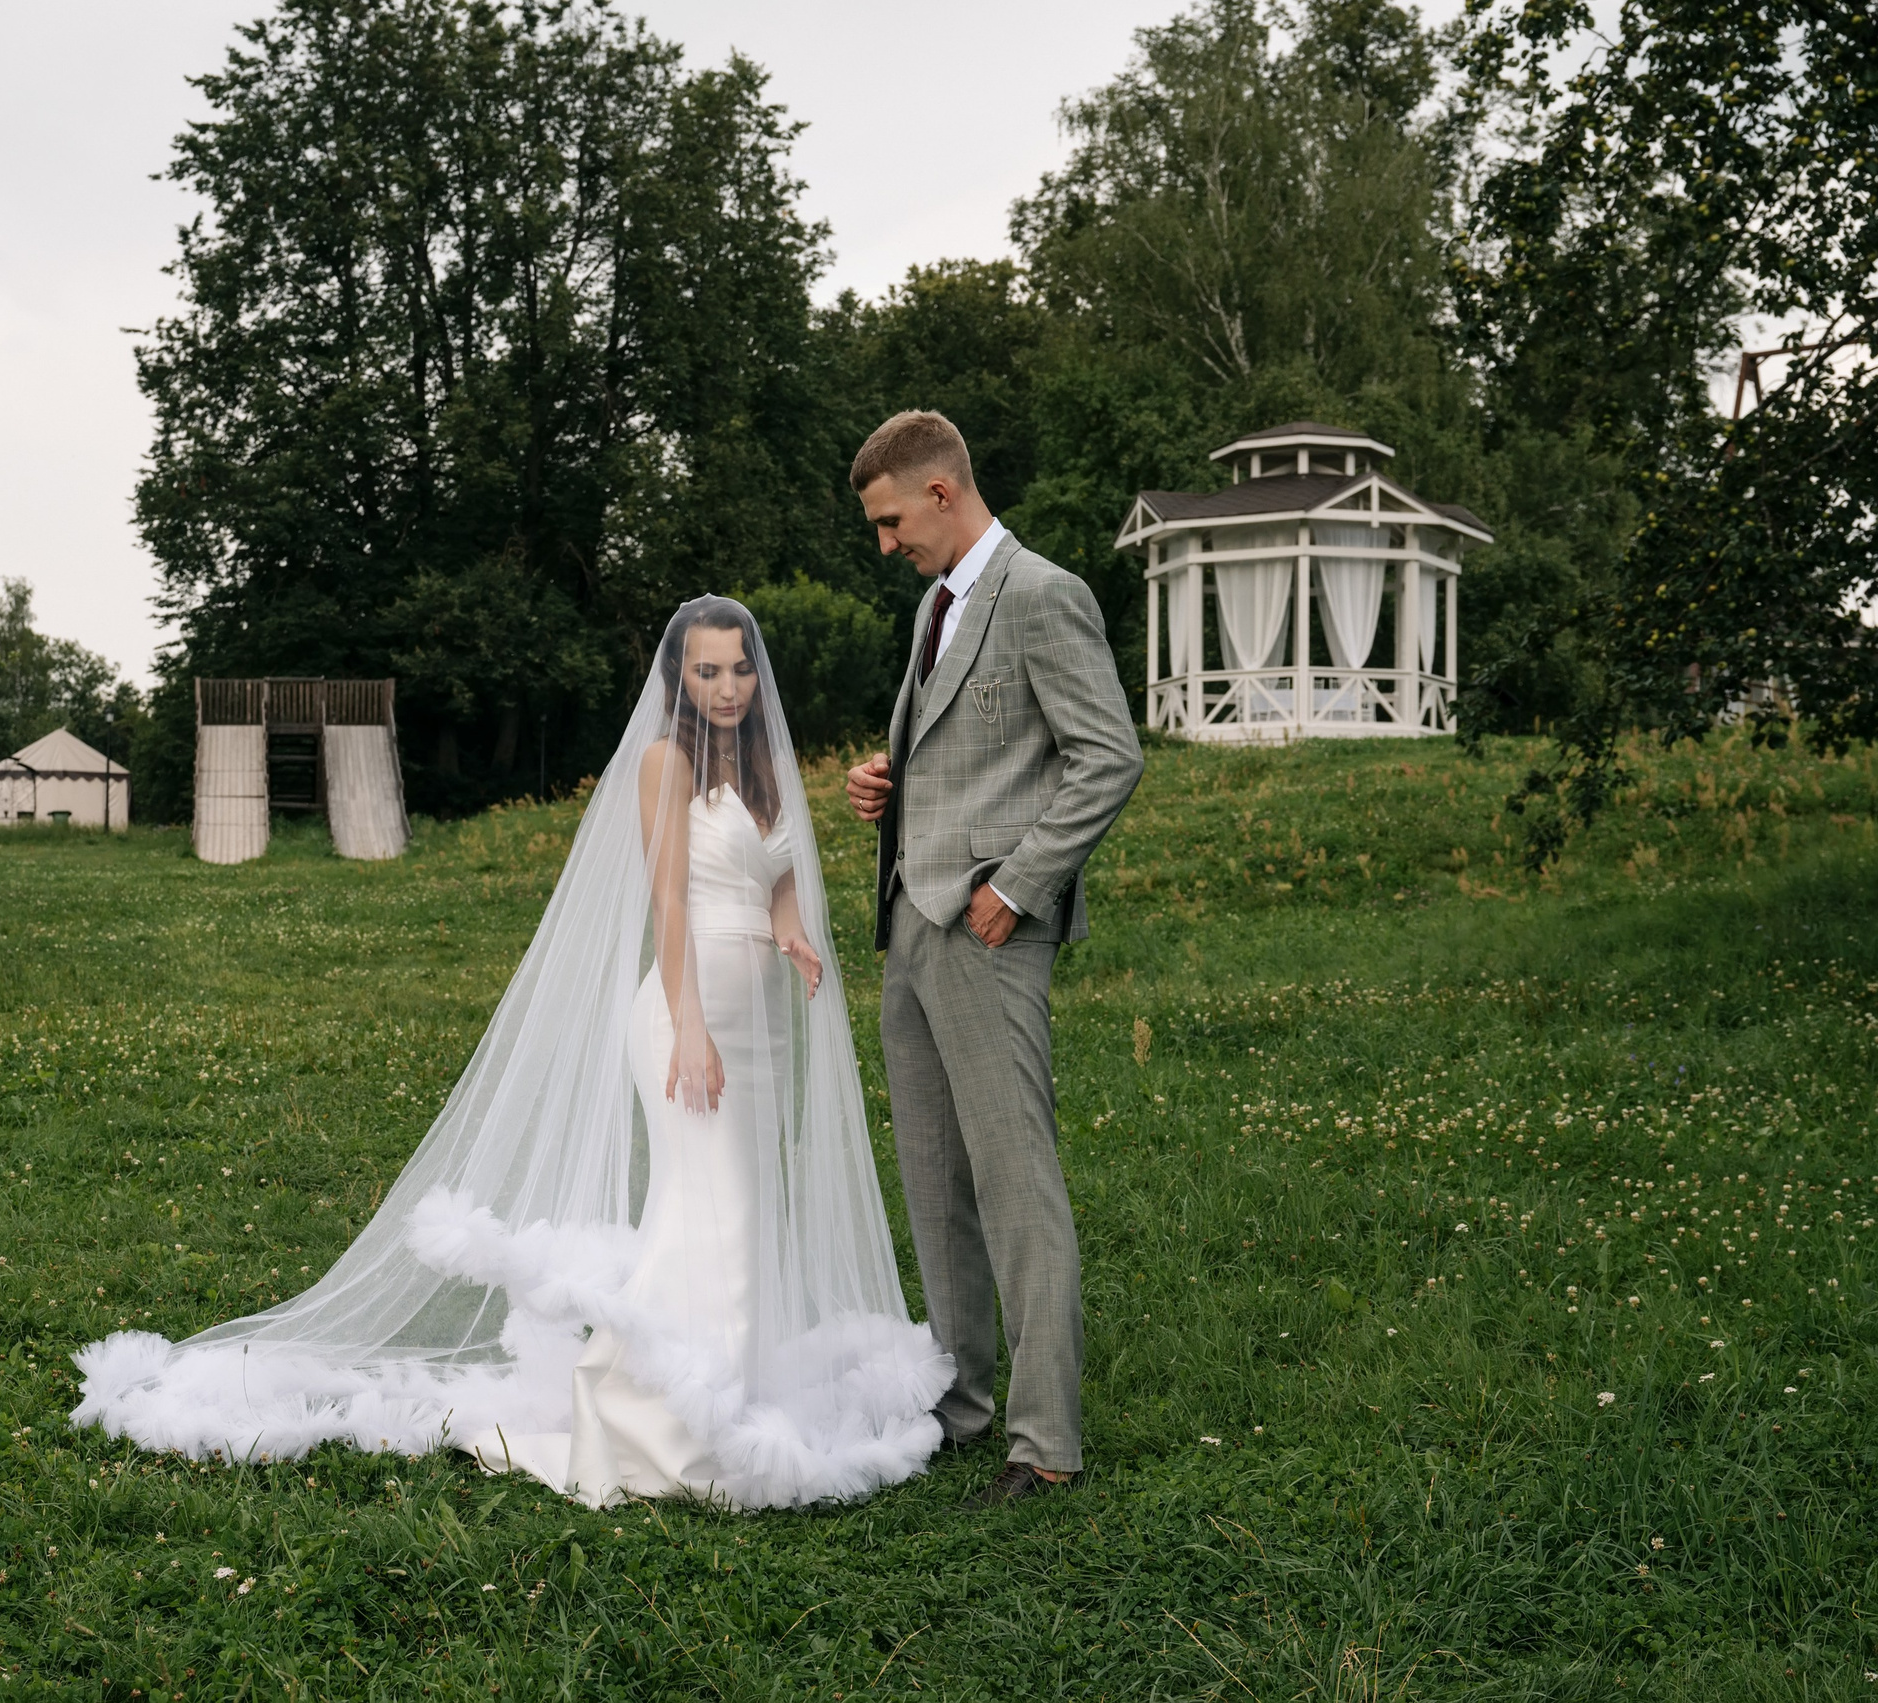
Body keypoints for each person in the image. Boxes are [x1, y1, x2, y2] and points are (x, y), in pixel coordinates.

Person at [75, 597, 951, 1510]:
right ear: (678, 682)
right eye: (706, 671)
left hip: (759, 1017)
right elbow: (670, 902)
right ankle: (653, 1420)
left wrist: (792, 933)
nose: (727, 687)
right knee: (712, 1207)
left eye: (738, 669)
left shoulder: (763, 765)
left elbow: (767, 872)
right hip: (688, 1016)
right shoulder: (665, 762)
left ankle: (717, 1393)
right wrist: (688, 1022)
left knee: (741, 1207)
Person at [843, 411, 1144, 1507]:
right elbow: (974, 754)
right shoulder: (937, 606)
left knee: (1015, 1185)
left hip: (987, 931)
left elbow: (1107, 758)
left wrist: (1014, 886)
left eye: (888, 523)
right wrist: (886, 787)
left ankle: (1045, 1441)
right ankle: (961, 1402)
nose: (885, 547)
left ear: (937, 490)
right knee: (934, 1182)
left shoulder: (1041, 592)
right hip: (908, 928)